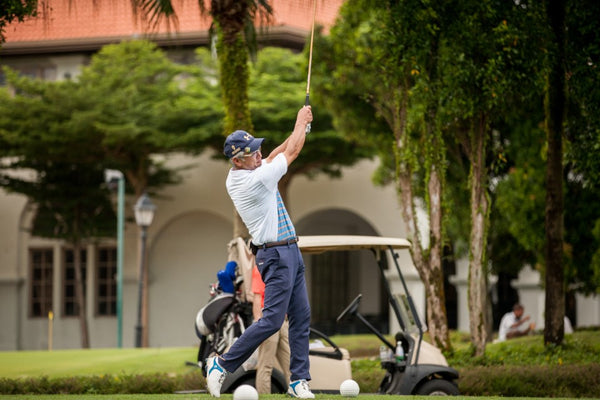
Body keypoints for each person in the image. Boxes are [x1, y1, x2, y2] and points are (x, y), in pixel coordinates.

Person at [205, 105, 314, 399]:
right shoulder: (252, 181)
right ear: (238, 161)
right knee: (271, 321)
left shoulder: (251, 168)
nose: (258, 154)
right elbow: (290, 153)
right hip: (275, 255)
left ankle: (298, 381)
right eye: (252, 153)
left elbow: (276, 154)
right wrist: (300, 122)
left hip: (290, 249)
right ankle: (222, 364)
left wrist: (299, 130)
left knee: (302, 316)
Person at [252, 264, 291, 394]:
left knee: (291, 363)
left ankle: (296, 392)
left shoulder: (281, 267)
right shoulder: (260, 269)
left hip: (283, 321)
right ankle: (264, 396)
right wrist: (259, 323)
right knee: (266, 365)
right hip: (268, 319)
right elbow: (257, 297)